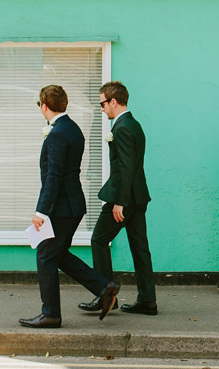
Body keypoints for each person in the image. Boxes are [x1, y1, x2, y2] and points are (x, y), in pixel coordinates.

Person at [18, 85, 119, 328]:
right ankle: (104, 286)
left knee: (45, 256)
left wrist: (41, 212)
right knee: (58, 254)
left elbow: (54, 175)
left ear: (44, 106)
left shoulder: (57, 133)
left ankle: (51, 314)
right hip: (72, 204)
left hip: (61, 207)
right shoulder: (72, 128)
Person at [78, 81, 158, 315]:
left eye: (103, 103)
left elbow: (125, 167)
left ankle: (105, 294)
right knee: (140, 248)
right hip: (138, 196)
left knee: (99, 240)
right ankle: (147, 299)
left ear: (113, 101)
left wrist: (119, 202)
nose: (101, 109)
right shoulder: (133, 124)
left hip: (125, 198)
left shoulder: (121, 128)